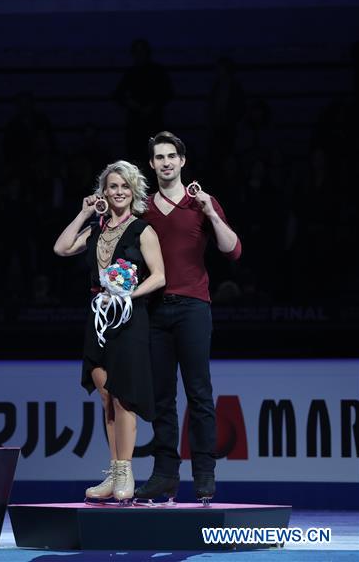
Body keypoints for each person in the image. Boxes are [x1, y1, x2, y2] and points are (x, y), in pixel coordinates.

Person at [136, 131, 242, 505]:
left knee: (199, 393)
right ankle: (165, 475)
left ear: (182, 161)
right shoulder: (143, 207)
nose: (165, 162)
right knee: (162, 397)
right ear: (151, 165)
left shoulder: (201, 203)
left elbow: (232, 250)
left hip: (194, 307)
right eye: (158, 157)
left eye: (171, 156)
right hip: (154, 311)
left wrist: (211, 211)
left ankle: (204, 474)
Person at [53, 160, 166, 504]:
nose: (118, 192)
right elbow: (61, 248)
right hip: (98, 318)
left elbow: (159, 276)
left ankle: (126, 472)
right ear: (103, 192)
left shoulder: (142, 230)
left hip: (130, 319)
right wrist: (84, 213)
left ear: (134, 192)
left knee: (123, 396)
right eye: (112, 186)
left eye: (124, 187)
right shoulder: (97, 230)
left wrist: (127, 295)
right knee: (105, 396)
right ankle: (114, 469)